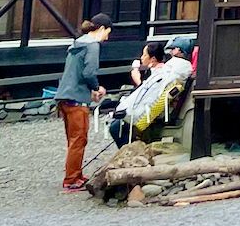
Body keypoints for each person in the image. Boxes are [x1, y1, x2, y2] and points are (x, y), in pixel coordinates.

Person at [54, 13, 111, 192]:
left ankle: (75, 174)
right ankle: (71, 179)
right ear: (101, 29)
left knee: (72, 139)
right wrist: (96, 88)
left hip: (64, 95)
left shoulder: (76, 44)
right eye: (107, 32)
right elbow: (88, 72)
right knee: (79, 139)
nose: (107, 37)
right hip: (77, 99)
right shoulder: (92, 46)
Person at [109, 38, 194, 147]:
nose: (169, 52)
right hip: (160, 110)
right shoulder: (174, 69)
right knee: (117, 125)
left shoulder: (173, 69)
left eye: (172, 49)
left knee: (116, 127)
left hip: (154, 115)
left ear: (178, 50)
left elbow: (153, 96)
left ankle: (132, 154)